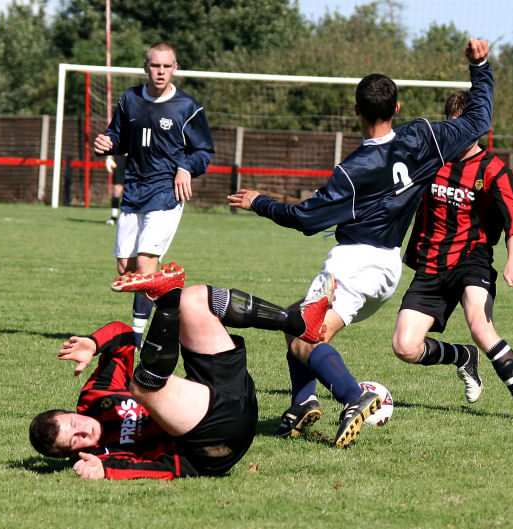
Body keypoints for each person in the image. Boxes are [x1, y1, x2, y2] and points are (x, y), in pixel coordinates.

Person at [227, 39, 494, 441]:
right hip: (388, 267)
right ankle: (302, 404)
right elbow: (478, 120)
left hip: (353, 264)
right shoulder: (424, 138)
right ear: (397, 108)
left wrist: (258, 201)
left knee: (304, 336)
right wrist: (480, 67)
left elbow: (305, 219)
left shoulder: (353, 172)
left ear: (356, 110)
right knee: (296, 320)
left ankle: (353, 396)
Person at [29, 264, 361, 480]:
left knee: (197, 299)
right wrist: (107, 468)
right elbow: (160, 468)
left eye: (74, 424)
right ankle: (165, 297)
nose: (83, 432)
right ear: (70, 453)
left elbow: (122, 336)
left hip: (231, 395)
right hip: (216, 443)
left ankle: (298, 322)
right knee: (141, 389)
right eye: (73, 441)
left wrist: (92, 342)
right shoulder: (103, 455)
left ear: (71, 411)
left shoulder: (94, 400)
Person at [392, 90, 513, 421]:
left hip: (471, 259)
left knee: (479, 324)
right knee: (404, 347)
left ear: (477, 127)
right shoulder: (430, 160)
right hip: (431, 263)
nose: (457, 131)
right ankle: (462, 357)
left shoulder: (492, 169)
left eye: (465, 124)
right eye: (453, 124)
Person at [93, 41, 214, 347]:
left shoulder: (187, 107)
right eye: (155, 66)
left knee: (146, 267)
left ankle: (138, 340)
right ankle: (175, 308)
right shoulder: (129, 99)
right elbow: (118, 137)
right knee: (126, 270)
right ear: (145, 67)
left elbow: (203, 150)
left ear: (176, 68)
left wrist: (186, 167)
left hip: (165, 193)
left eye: (167, 66)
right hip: (134, 190)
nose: (161, 72)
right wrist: (107, 143)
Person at [104, 154, 125, 225]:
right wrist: (109, 157)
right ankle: (113, 218)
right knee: (117, 188)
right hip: (120, 156)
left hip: (135, 157)